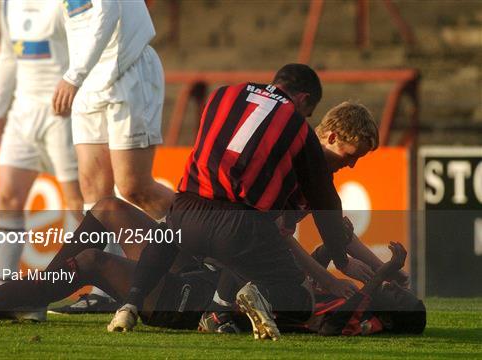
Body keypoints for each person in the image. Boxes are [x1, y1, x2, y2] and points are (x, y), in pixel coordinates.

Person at [109, 65, 381, 340]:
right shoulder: (297, 129)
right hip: (238, 226)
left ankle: (130, 303)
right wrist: (338, 262)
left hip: (187, 208)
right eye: (307, 112)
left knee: (167, 231)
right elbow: (324, 204)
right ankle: (233, 304)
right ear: (302, 100)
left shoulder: (222, 95)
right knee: (298, 297)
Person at [0, 199, 425, 337]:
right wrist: (377, 269)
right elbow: (311, 267)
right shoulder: (351, 296)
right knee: (108, 208)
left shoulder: (357, 316)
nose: (399, 293)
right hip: (201, 268)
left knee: (89, 260)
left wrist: (383, 274)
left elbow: (323, 305)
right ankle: (30, 295)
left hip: (186, 302)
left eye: (401, 300)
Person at [50, 0, 174, 312]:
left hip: (127, 69)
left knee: (134, 186)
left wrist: (73, 76)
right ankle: (104, 291)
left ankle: (213, 240)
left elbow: (108, 12)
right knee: (93, 191)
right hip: (88, 78)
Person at [0, 0, 83, 321]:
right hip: (23, 112)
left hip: (63, 111)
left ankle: (98, 289)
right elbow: (7, 54)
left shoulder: (68, 3)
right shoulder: (8, 4)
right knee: (7, 196)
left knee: (77, 203)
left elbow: (89, 46)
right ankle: (4, 288)